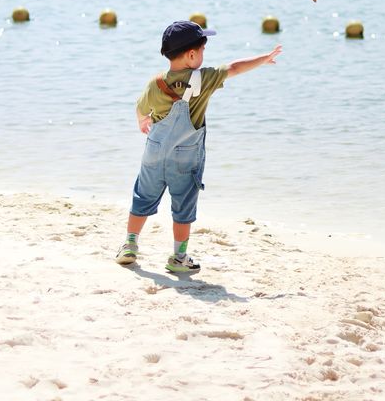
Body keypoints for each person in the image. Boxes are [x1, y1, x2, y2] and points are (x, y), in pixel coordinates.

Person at [115, 20, 282, 273]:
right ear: (192, 54)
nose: (204, 55)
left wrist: (143, 121)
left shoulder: (155, 83)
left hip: (154, 153)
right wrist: (263, 58)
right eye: (203, 49)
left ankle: (130, 245)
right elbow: (234, 67)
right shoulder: (204, 79)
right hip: (185, 158)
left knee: (143, 197)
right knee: (183, 204)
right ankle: (179, 258)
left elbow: (140, 109)